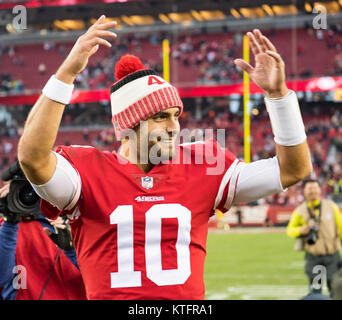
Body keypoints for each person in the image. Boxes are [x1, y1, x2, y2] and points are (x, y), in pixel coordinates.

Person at [17, 15, 312, 300]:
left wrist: (278, 96)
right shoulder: (86, 173)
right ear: (130, 124)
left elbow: (292, 170)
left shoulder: (202, 165)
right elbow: (32, 158)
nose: (174, 127)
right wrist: (66, 75)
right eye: (160, 117)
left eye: (175, 116)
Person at [0, 183, 86, 300]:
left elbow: (98, 278)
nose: (29, 194)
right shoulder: (6, 229)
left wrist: (70, 250)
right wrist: (9, 223)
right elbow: (3, 277)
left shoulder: (73, 222)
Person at [286, 179, 342, 296]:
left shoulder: (331, 207)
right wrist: (301, 230)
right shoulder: (300, 211)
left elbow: (341, 228)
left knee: (335, 289)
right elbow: (290, 230)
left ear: (320, 190)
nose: (313, 191)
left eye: (315, 188)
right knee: (315, 291)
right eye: (310, 188)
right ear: (304, 191)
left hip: (332, 256)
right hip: (314, 257)